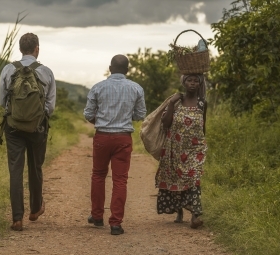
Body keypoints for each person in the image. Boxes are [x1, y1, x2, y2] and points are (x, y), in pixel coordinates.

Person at [0, 33, 56, 231]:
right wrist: (37, 117)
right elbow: (50, 105)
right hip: (38, 127)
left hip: (13, 127)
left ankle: (16, 218)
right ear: (37, 49)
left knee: (15, 170)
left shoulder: (8, 69)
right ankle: (35, 209)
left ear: (20, 49)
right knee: (35, 167)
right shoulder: (46, 72)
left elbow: (1, 101)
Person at [83, 54, 147, 235]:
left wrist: (102, 121)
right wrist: (125, 117)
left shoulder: (98, 88)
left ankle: (97, 216)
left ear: (110, 68)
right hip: (123, 139)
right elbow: (140, 114)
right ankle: (116, 223)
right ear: (127, 70)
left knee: (98, 175)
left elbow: (88, 114)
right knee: (120, 180)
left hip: (102, 137)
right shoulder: (136, 88)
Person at [155, 74, 207, 229]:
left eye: (195, 81)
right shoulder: (176, 101)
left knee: (193, 178)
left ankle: (195, 215)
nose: (192, 83)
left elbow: (203, 125)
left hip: (194, 148)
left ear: (199, 84)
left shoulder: (202, 103)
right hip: (174, 147)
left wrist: (202, 142)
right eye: (189, 80)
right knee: (175, 177)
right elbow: (165, 123)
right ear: (184, 83)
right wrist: (171, 103)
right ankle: (179, 211)